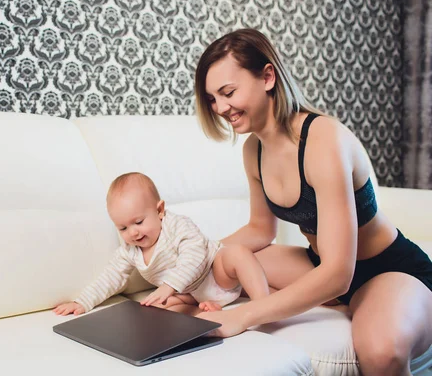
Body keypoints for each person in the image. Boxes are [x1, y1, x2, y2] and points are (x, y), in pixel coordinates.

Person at [193, 28, 432, 375]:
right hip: (318, 261)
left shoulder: (323, 139)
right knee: (224, 262)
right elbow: (260, 230)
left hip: (385, 268)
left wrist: (244, 314)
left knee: (381, 352)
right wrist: (189, 264)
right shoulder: (253, 150)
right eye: (213, 98)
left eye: (228, 92)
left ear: (268, 76)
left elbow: (338, 273)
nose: (221, 108)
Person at [53, 172, 269, 316]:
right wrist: (82, 302)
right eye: (123, 228)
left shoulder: (177, 226)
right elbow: (111, 277)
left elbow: (195, 255)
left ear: (159, 210)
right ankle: (204, 311)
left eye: (138, 222)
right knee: (153, 309)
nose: (133, 232)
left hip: (214, 274)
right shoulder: (130, 252)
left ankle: (263, 306)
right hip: (189, 295)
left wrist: (169, 286)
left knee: (237, 253)